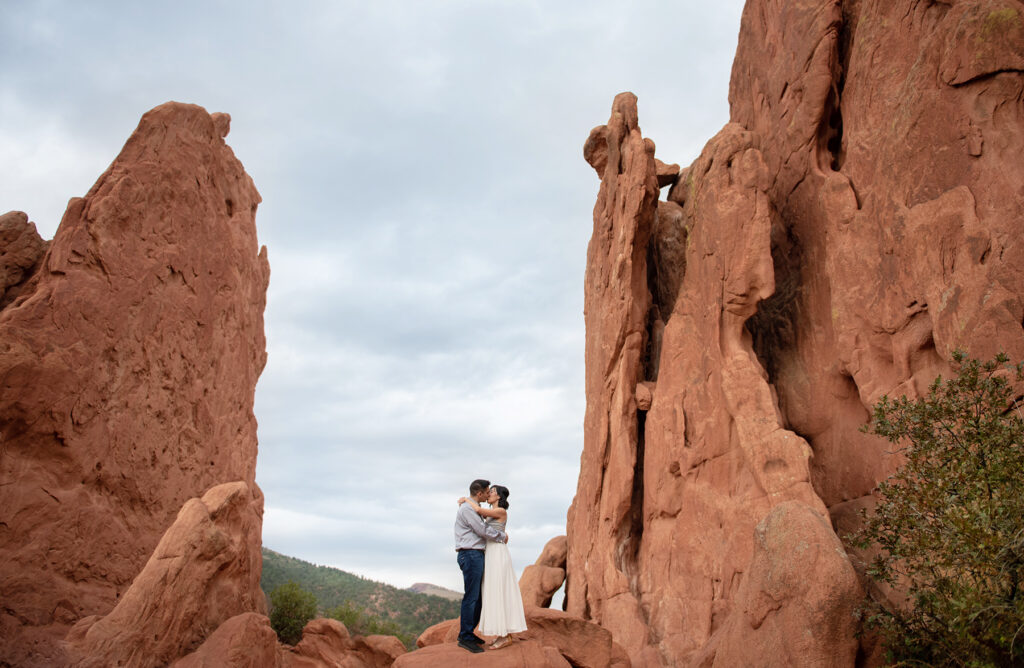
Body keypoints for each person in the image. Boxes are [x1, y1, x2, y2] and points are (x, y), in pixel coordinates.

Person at [459, 485, 527, 650]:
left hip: (497, 553)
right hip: (490, 552)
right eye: (489, 491)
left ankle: (504, 635)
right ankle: (502, 633)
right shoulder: (492, 512)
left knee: (499, 589)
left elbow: (478, 510)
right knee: (492, 590)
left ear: (499, 497)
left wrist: (466, 499)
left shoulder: (501, 511)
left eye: (492, 492)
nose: (489, 494)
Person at [454, 478, 507, 654]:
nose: (487, 494)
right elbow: (482, 531)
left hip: (475, 554)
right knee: (472, 596)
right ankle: (465, 637)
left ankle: (468, 633)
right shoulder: (469, 509)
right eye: (486, 492)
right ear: (479, 493)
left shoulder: (473, 508)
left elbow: (484, 520)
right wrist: (501, 537)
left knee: (478, 597)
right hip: (470, 554)